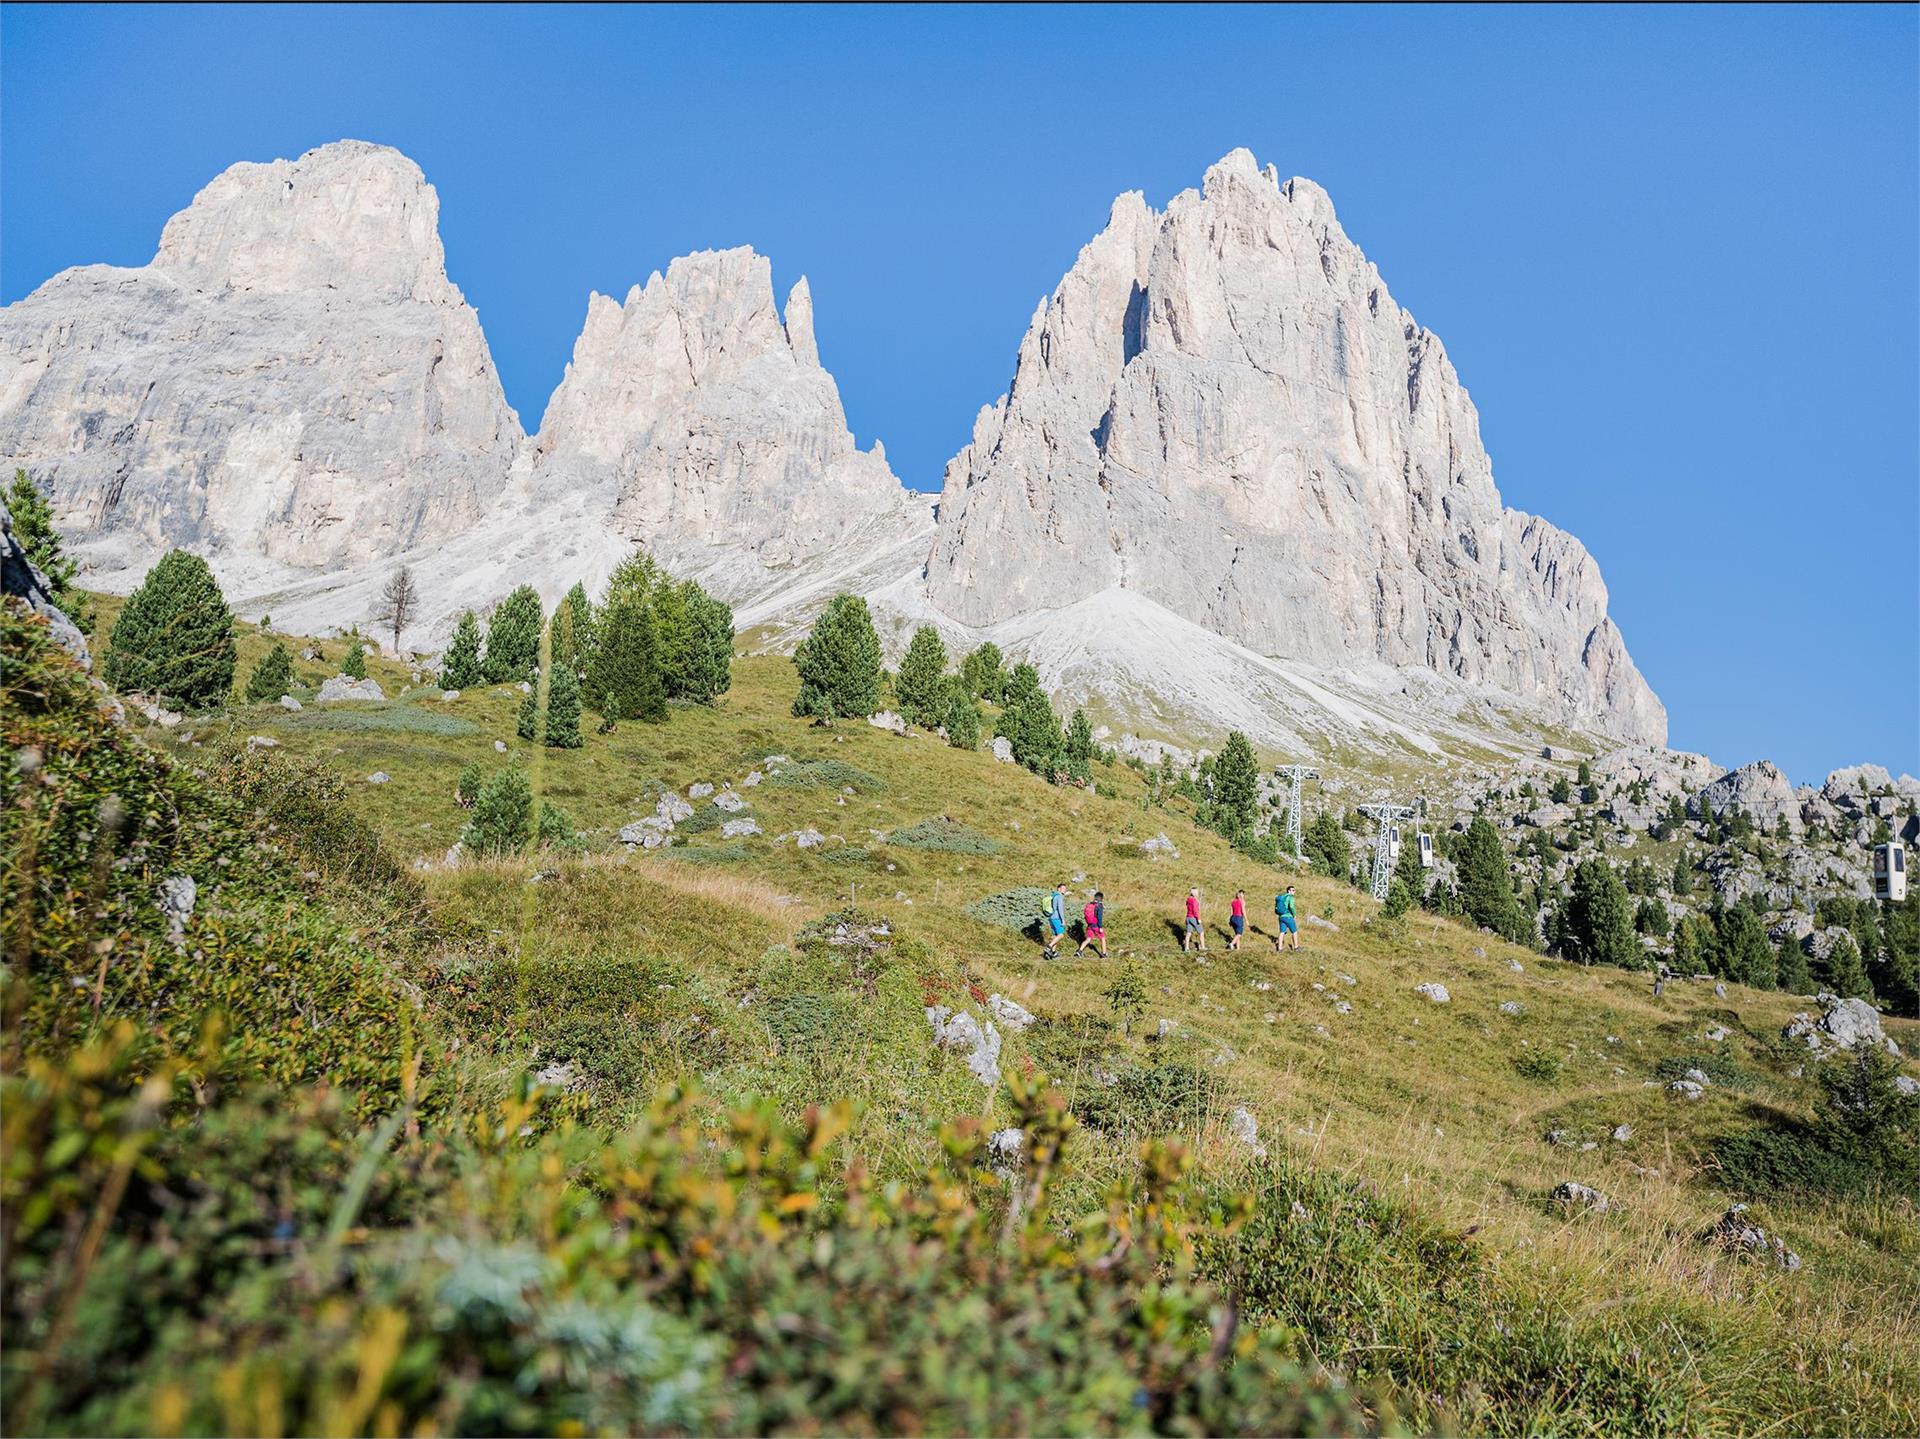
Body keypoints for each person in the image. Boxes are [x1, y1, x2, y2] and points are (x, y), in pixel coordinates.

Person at [1077, 890, 1108, 958]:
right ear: (1101, 898)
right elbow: (1099, 917)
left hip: (1090, 925)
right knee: (1102, 938)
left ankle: (1079, 951)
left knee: (1088, 938)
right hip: (1096, 925)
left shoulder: (1090, 904)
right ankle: (1104, 953)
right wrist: (1100, 927)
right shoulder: (1099, 906)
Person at [1043, 882, 1068, 960]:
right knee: (1061, 935)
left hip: (1051, 918)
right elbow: (1060, 909)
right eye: (1063, 888)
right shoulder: (1059, 897)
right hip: (1057, 918)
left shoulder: (1053, 896)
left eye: (1065, 889)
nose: (1064, 890)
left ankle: (1053, 953)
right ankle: (1049, 947)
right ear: (1059, 889)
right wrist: (1063, 920)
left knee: (1056, 935)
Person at [1274, 885, 1300, 951]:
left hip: (1281, 917)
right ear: (1289, 891)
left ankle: (1279, 948)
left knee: (1282, 932)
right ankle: (1296, 947)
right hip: (1288, 916)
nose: (1294, 892)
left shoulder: (1282, 897)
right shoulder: (1290, 897)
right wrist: (1294, 914)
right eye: (1293, 890)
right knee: (1294, 932)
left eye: (1294, 890)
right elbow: (1291, 907)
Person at [1184, 888, 1205, 952]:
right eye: (1197, 892)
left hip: (1188, 917)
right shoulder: (1194, 901)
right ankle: (1203, 947)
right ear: (1195, 893)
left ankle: (1186, 948)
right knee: (1201, 932)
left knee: (1188, 933)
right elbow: (1195, 911)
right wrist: (1198, 919)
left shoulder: (1188, 899)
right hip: (1193, 918)